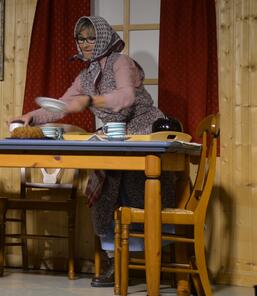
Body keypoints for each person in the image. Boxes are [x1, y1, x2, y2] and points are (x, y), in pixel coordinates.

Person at [11, 15, 176, 287]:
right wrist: (30, 116)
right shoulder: (85, 75)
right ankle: (115, 259)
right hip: (114, 137)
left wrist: (90, 100)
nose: (86, 44)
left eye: (92, 38)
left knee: (137, 191)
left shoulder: (121, 62)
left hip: (143, 131)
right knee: (104, 188)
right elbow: (61, 105)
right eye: (81, 39)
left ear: (104, 38)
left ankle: (148, 258)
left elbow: (126, 97)